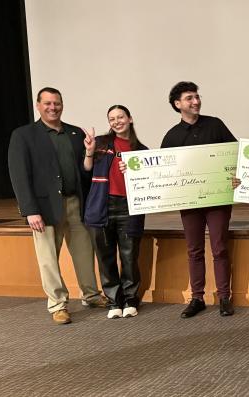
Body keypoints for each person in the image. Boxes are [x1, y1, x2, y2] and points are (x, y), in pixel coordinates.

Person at [7, 87, 106, 324]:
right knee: (48, 259)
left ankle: (91, 295)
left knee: (84, 253)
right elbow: (19, 175)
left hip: (75, 204)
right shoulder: (23, 135)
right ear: (38, 105)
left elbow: (85, 172)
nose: (53, 108)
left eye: (57, 103)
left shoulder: (75, 133)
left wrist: (89, 153)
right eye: (48, 103)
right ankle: (58, 304)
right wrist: (30, 210)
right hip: (44, 208)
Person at [161, 81, 237, 318]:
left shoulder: (215, 125)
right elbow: (162, 171)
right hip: (190, 203)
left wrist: (236, 175)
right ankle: (197, 298)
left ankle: (224, 297)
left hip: (217, 200)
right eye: (189, 98)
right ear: (177, 104)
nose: (196, 101)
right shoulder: (172, 136)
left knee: (219, 248)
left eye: (197, 97)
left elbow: (234, 154)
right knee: (194, 250)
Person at [83, 105, 149, 319]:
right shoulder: (100, 143)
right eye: (112, 119)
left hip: (130, 207)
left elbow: (149, 181)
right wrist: (89, 152)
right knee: (105, 257)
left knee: (129, 257)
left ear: (130, 119)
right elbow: (86, 168)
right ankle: (113, 301)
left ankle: (130, 299)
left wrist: (134, 172)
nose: (117, 121)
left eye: (120, 117)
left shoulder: (142, 151)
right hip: (101, 206)